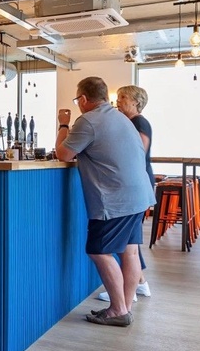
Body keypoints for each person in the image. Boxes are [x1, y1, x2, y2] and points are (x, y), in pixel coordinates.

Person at [56, 77, 155, 326]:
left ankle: (118, 310)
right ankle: (124, 307)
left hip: (115, 199)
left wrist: (63, 124)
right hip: (139, 194)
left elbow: (63, 154)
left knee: (98, 251)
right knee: (130, 251)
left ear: (83, 99)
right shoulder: (121, 118)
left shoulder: (88, 120)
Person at [97, 84, 154, 302]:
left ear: (136, 102)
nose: (118, 101)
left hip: (135, 184)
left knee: (128, 243)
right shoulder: (130, 122)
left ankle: (132, 288)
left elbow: (136, 153)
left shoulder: (138, 123)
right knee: (130, 242)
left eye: (123, 98)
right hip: (137, 183)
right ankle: (139, 285)